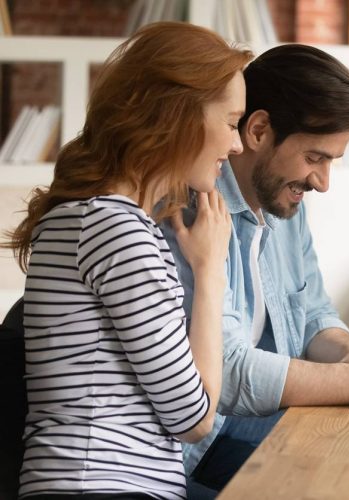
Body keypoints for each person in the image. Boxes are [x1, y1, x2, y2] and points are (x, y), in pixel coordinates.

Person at [160, 43, 349, 495]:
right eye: (315, 158)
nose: (323, 183)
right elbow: (227, 374)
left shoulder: (285, 204)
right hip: (192, 455)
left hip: (251, 428)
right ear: (259, 129)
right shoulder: (191, 212)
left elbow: (313, 316)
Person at [2, 22, 251, 499]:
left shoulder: (91, 216)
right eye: (230, 122)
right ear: (176, 116)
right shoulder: (114, 230)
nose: (237, 144)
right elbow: (193, 419)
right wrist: (210, 271)